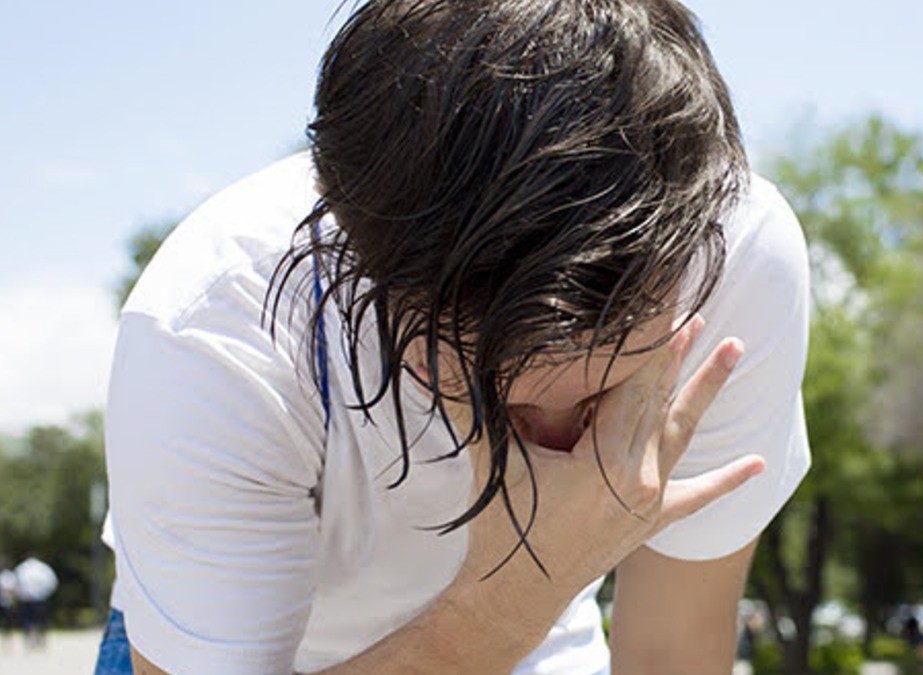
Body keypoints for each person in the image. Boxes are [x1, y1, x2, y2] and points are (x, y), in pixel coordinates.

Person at [97, 1, 812, 673]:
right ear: (362, 268)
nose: (569, 452)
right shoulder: (216, 331)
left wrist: (526, 609)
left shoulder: (735, 264)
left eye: (605, 386)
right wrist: (517, 595)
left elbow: (668, 650)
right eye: (490, 391)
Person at [14, 554, 58, 650]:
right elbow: (52, 582)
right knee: (41, 620)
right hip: (40, 599)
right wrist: (45, 594)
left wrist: (20, 595)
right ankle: (41, 640)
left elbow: (15, 584)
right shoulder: (43, 568)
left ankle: (29, 640)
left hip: (26, 599)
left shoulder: (22, 568)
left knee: (27, 621)